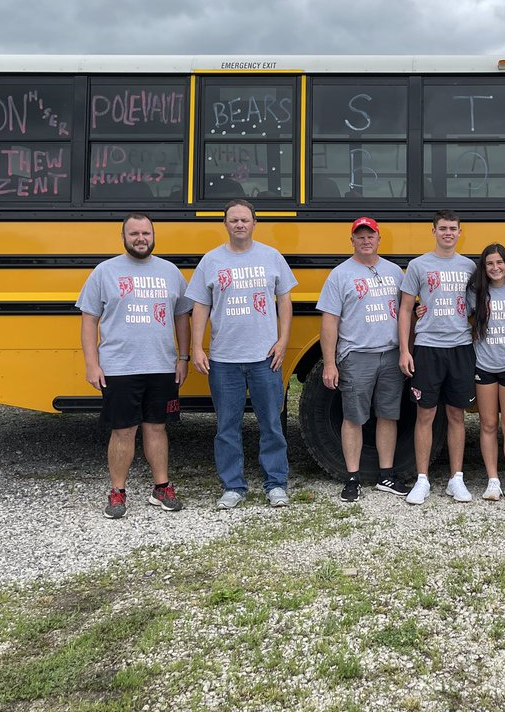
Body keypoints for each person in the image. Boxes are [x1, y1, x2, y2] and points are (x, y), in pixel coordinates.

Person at [77, 213, 191, 519]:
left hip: (161, 366)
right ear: (123, 237)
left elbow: (182, 316)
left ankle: (161, 487)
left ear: (153, 235)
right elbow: (89, 319)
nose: (141, 238)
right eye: (134, 234)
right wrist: (92, 363)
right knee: (123, 431)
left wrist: (183, 358)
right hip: (119, 367)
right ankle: (117, 492)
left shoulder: (170, 272)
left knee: (157, 427)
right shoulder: (105, 272)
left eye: (145, 233)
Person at [187, 199, 297, 509]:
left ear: (254, 223)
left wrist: (283, 340)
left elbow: (285, 301)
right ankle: (233, 486)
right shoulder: (211, 261)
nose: (239, 224)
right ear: (225, 224)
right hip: (224, 359)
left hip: (265, 357)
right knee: (227, 426)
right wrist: (197, 347)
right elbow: (200, 305)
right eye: (233, 220)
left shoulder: (271, 257)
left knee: (271, 424)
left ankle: (276, 484)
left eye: (244, 219)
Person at [317, 217, 408, 503]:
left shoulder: (395, 272)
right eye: (360, 236)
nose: (366, 240)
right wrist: (330, 363)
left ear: (379, 239)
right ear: (352, 241)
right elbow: (329, 322)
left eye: (371, 236)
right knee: (354, 417)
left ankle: (385, 475)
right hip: (356, 355)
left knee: (388, 415)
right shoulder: (340, 275)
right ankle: (352, 477)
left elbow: (405, 312)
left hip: (391, 353)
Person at [398, 209, 477, 505]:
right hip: (428, 347)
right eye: (442, 228)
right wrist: (405, 349)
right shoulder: (418, 265)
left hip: (460, 347)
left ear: (459, 232)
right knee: (426, 414)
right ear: (433, 231)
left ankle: (457, 479)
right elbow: (405, 309)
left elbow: (474, 306)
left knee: (456, 415)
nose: (448, 233)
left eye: (453, 228)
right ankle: (422, 479)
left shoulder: (469, 267)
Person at [466, 243, 505, 502]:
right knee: (488, 424)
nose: (495, 267)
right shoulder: (476, 292)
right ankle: (493, 480)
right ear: (484, 267)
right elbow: (460, 317)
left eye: (499, 262)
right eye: (489, 263)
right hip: (484, 364)